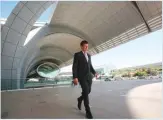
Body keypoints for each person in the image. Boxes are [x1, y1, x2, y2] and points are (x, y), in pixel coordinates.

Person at [72, 40, 97, 119]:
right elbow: (75, 67)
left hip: (89, 77)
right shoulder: (77, 55)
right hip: (81, 77)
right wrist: (75, 77)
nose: (87, 47)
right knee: (86, 92)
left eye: (87, 46)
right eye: (85, 46)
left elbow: (90, 66)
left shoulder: (89, 55)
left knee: (88, 91)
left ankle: (80, 99)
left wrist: (94, 72)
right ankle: (88, 111)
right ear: (81, 46)